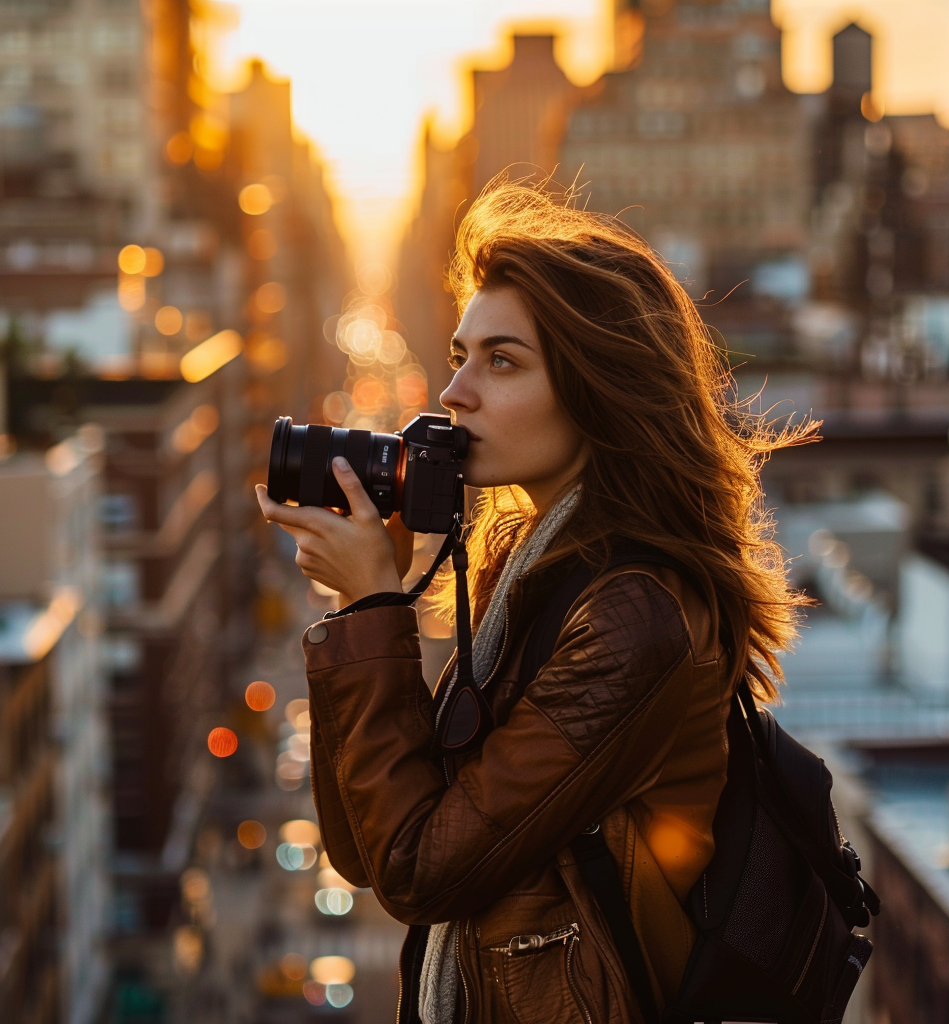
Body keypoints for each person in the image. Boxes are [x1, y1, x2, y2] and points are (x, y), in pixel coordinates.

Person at [255, 181, 815, 1024]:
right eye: (459, 354)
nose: (454, 394)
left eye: (502, 361)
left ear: (599, 390)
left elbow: (420, 872)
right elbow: (368, 845)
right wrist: (354, 607)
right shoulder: (530, 565)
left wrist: (376, 607)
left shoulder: (636, 619)